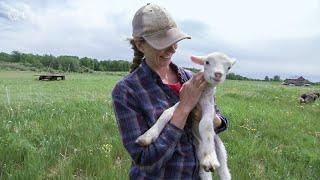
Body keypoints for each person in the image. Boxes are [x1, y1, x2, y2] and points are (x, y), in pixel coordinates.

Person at [112, 3, 228, 179]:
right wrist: (183, 108)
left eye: (174, 41)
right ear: (140, 45)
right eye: (163, 43)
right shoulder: (127, 91)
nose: (173, 48)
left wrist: (209, 118)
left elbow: (219, 121)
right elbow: (146, 161)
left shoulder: (190, 78)